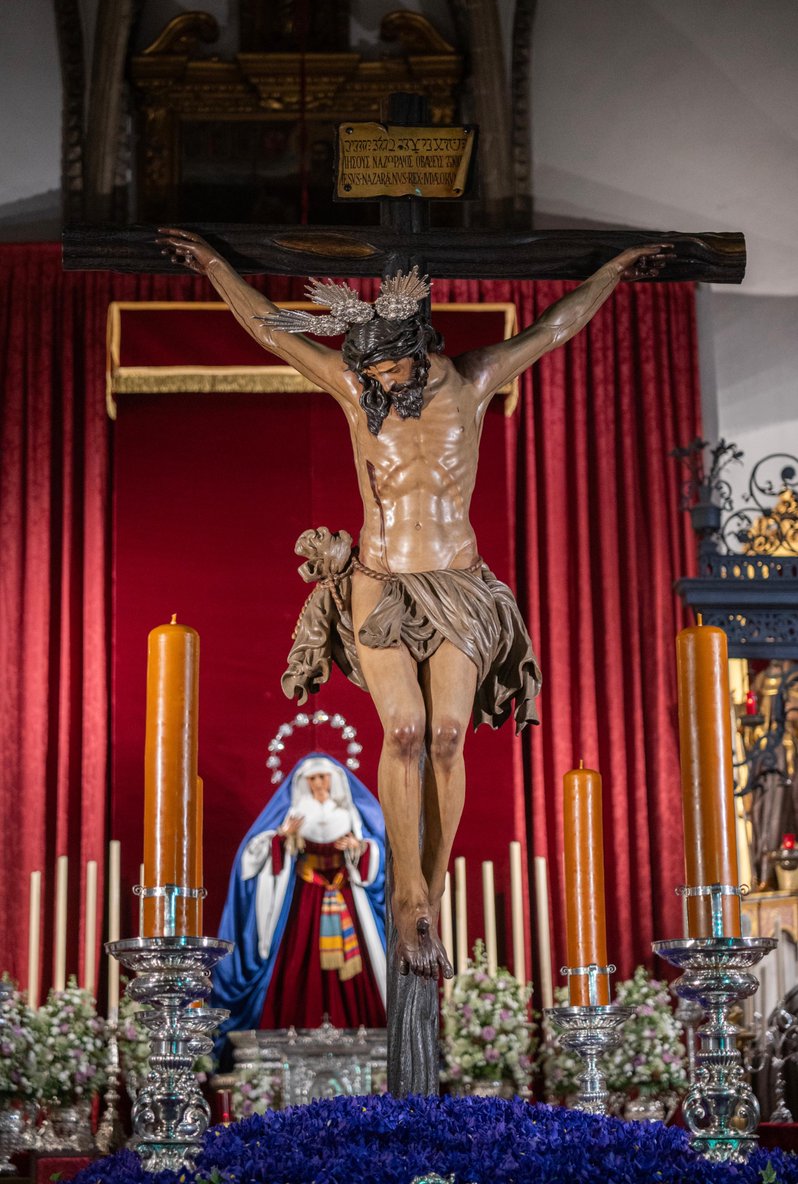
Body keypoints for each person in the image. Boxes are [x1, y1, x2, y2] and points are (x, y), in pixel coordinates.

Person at [158, 227, 673, 979]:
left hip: (459, 582)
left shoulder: (473, 380)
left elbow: (556, 325)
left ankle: (428, 888)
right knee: (403, 730)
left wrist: (615, 270)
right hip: (381, 579)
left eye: (385, 366)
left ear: (415, 344)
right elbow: (270, 328)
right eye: (364, 368)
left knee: (447, 738)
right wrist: (211, 265)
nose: (373, 381)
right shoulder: (354, 388)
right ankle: (405, 899)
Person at [213, 754, 386, 1035]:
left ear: (334, 780)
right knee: (298, 964)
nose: (319, 783)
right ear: (305, 782)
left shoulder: (349, 814)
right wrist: (282, 836)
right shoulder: (296, 814)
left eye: (323, 777)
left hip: (343, 895)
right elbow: (255, 856)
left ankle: (359, 1034)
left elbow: (376, 852)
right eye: (313, 778)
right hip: (305, 899)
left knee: (353, 968)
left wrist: (359, 847)